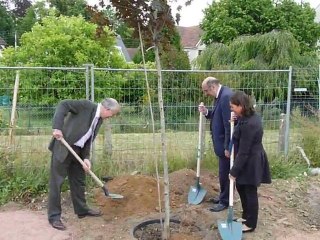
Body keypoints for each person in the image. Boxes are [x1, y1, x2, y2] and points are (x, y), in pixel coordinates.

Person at [47, 98, 121, 230]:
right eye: (112, 114)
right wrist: (57, 127)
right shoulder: (85, 106)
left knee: (79, 181)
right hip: (63, 147)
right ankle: (54, 217)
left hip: (78, 152)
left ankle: (81, 210)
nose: (111, 117)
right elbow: (63, 104)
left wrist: (86, 158)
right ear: (107, 109)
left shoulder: (99, 120)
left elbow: (88, 139)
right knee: (56, 183)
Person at [229, 91, 271, 233]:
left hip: (251, 160)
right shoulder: (247, 117)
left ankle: (251, 224)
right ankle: (246, 216)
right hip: (247, 157)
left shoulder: (251, 124)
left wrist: (234, 171)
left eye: (233, 107)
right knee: (241, 187)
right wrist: (236, 121)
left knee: (249, 190)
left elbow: (244, 151)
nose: (232, 109)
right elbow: (240, 132)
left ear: (241, 106)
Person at [198, 77, 233, 212]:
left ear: (212, 87)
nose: (205, 93)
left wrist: (227, 147)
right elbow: (218, 115)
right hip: (221, 144)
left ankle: (225, 201)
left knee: (225, 173)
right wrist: (206, 112)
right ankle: (223, 196)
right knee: (222, 172)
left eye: (206, 90)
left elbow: (228, 124)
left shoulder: (225, 97)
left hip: (225, 145)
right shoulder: (220, 96)